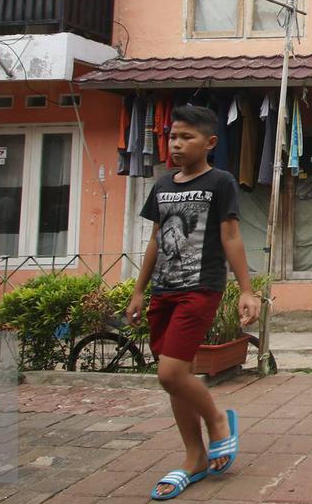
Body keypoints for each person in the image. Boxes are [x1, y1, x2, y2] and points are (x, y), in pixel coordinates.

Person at [126, 105, 258, 501]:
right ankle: (194, 457)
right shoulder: (163, 185)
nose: (177, 144)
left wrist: (246, 289)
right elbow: (155, 238)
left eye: (187, 137)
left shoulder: (220, 182)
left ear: (210, 143)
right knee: (176, 382)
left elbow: (231, 236)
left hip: (200, 287)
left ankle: (218, 420)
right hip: (163, 291)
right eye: (172, 137)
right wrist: (138, 289)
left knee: (170, 374)